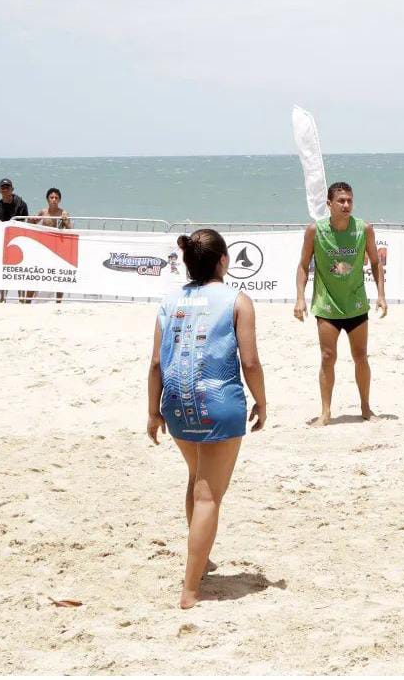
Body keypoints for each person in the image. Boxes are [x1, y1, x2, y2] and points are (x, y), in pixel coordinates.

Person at [146, 229, 266, 609]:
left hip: (176, 402)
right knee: (208, 494)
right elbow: (250, 362)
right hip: (218, 405)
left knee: (197, 479)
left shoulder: (170, 302)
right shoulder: (237, 300)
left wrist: (152, 411)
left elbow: (156, 363)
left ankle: (203, 559)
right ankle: (190, 589)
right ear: (223, 261)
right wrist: (262, 402)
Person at [294, 181, 387, 426]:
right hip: (327, 304)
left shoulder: (364, 229)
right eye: (341, 201)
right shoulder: (315, 231)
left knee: (360, 356)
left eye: (349, 201)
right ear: (329, 204)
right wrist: (300, 298)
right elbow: (303, 265)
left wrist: (381, 295)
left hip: (355, 303)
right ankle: (325, 412)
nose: (346, 205)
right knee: (327, 357)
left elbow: (375, 263)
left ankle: (366, 407)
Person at [0, 178, 28, 303]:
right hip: (2, 243)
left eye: (7, 187)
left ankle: (21, 298)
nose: (5, 190)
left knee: (19, 270)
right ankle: (2, 298)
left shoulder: (21, 204)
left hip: (18, 242)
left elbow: (25, 222)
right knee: (2, 270)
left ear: (12, 189)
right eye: (3, 187)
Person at [32, 187, 73, 302]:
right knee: (35, 272)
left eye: (56, 198)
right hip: (44, 246)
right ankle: (28, 301)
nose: (54, 200)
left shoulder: (63, 213)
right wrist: (31, 219)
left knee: (59, 275)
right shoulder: (43, 212)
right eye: (51, 197)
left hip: (58, 248)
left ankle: (58, 302)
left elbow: (70, 230)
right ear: (47, 199)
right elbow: (31, 223)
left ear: (59, 200)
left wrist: (65, 221)